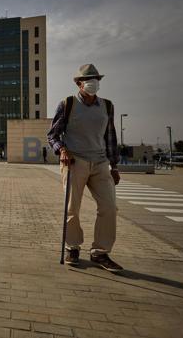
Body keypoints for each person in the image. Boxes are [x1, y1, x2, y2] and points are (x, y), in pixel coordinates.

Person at [47, 63, 123, 272]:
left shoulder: (107, 106)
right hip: (75, 162)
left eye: (96, 79)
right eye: (88, 79)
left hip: (100, 163)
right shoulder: (68, 104)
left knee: (109, 208)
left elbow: (110, 137)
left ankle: (100, 252)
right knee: (72, 208)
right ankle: (72, 247)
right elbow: (52, 135)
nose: (93, 83)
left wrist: (114, 165)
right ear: (79, 84)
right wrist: (61, 149)